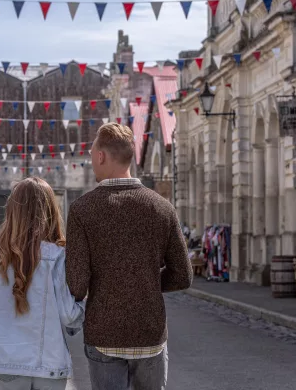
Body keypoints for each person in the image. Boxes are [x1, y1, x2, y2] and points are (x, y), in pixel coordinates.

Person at [65, 123, 192, 390]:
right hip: (150, 331)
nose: (91, 161)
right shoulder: (162, 207)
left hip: (104, 333)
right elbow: (183, 275)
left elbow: (76, 284)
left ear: (101, 156)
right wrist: (144, 281)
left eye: (91, 155)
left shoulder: (82, 210)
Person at [0, 177, 84, 390]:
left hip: (2, 361)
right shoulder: (58, 256)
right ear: (50, 211)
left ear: (11, 210)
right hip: (48, 362)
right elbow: (69, 315)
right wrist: (87, 305)